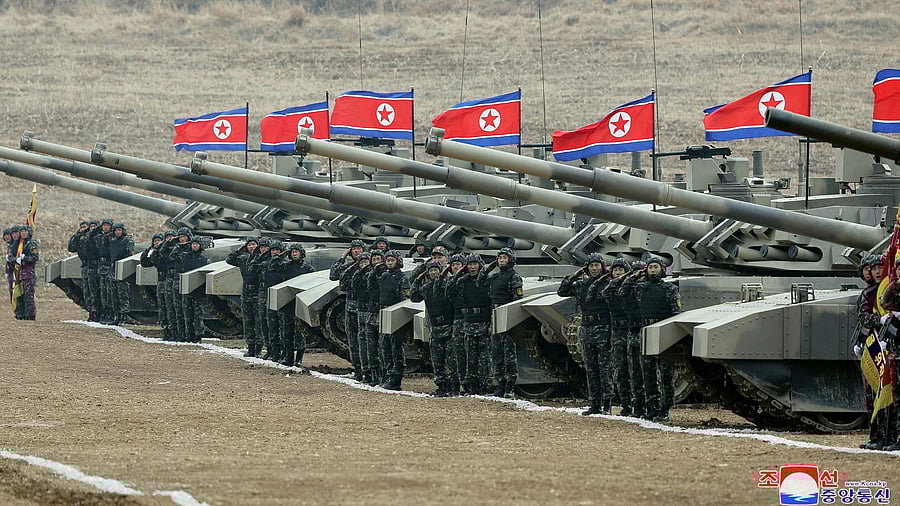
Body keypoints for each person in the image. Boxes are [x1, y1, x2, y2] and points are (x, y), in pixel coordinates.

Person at [627, 256, 682, 422]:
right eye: (650, 268)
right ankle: (652, 407)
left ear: (662, 270)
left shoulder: (670, 289)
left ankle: (665, 408)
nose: (652, 270)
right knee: (648, 373)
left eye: (655, 267)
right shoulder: (641, 288)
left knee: (666, 375)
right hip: (646, 331)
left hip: (663, 332)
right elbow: (623, 289)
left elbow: (676, 313)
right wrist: (636, 275)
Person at [557, 253, 613, 415]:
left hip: (603, 328)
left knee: (605, 369)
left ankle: (607, 404)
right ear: (586, 268)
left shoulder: (607, 285)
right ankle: (595, 403)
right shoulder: (581, 285)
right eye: (591, 266)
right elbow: (563, 291)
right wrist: (575, 275)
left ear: (602, 267)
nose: (594, 269)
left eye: (597, 265)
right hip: (587, 329)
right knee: (591, 369)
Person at [598, 257, 644, 417]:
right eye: (615, 270)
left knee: (636, 371)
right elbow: (606, 292)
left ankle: (639, 405)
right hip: (618, 332)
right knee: (621, 371)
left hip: (632, 330)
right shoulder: (613, 289)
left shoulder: (635, 289)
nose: (618, 273)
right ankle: (626, 405)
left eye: (621, 270)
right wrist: (619, 278)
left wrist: (629, 278)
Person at [477, 247, 523, 398]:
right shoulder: (495, 277)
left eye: (504, 258)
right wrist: (488, 267)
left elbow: (517, 300)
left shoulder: (514, 277)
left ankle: (510, 387)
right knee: (497, 354)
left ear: (510, 260)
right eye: (500, 258)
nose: (502, 261)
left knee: (509, 355)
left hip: (507, 316)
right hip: (495, 315)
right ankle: (500, 385)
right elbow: (480, 283)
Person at [447, 253, 492, 395]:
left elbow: (491, 301)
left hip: (483, 321)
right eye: (470, 264)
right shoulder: (462, 281)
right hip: (469, 322)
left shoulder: (486, 280)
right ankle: (472, 387)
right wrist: (456, 275)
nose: (472, 267)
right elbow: (449, 291)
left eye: (475, 264)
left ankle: (485, 386)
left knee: (484, 358)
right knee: (470, 358)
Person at [411, 259, 454, 396]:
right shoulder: (426, 288)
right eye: (431, 270)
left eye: (436, 270)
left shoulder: (447, 285)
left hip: (448, 325)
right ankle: (441, 386)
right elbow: (414, 297)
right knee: (437, 360)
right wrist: (418, 279)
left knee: (450, 359)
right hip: (435, 327)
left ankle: (452, 386)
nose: (434, 273)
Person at [855, 255, 884, 449]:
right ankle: (877, 436)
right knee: (871, 394)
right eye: (869, 269)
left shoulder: (885, 291)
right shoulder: (868, 293)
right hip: (872, 344)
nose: (873, 272)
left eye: (876, 268)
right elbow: (863, 319)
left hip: (886, 345)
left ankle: (885, 436)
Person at [373, 250, 409, 390]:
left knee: (396, 349)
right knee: (384, 348)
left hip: (395, 314)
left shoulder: (402, 278)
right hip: (384, 312)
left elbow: (405, 299)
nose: (389, 263)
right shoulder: (384, 276)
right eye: (387, 260)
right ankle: (387, 374)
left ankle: (395, 378)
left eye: (392, 260)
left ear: (398, 261)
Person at [330, 239, 366, 380]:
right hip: (350, 306)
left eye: (359, 249)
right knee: (353, 341)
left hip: (365, 308)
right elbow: (333, 275)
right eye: (354, 249)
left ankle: (368, 371)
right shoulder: (349, 266)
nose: (356, 251)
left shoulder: (368, 266)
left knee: (365, 341)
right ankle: (358, 371)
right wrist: (342, 257)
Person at [274, 243, 315, 367]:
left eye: (296, 252)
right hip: (287, 302)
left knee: (299, 332)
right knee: (287, 331)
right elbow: (272, 265)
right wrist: (282, 255)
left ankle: (299, 358)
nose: (294, 254)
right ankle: (288, 357)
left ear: (301, 253)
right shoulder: (285, 266)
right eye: (292, 252)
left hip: (301, 301)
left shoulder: (308, 268)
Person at [226, 237, 261, 356]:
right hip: (246, 293)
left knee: (258, 322)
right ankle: (250, 347)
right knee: (248, 322)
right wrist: (239, 250)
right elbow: (229, 260)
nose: (251, 247)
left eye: (254, 244)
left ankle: (259, 349)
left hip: (258, 293)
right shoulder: (243, 259)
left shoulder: (260, 258)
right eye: (249, 245)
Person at [175, 236, 210, 343]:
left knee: (198, 316)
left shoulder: (204, 260)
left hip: (198, 291)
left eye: (197, 244)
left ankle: (198, 336)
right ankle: (189, 335)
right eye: (193, 244)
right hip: (187, 290)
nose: (195, 246)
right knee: (187, 315)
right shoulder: (185, 258)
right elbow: (173, 257)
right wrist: (180, 246)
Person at [350, 252, 374, 382]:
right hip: (361, 310)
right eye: (362, 263)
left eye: (367, 262)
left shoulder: (376, 274)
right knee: (361, 343)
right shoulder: (358, 275)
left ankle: (374, 374)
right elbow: (348, 284)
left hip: (373, 311)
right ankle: (363, 371)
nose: (365, 265)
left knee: (372, 345)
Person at [444, 253, 466, 396]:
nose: (455, 267)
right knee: (455, 354)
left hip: (472, 319)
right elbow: (448, 293)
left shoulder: (471, 280)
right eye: (453, 265)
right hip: (456, 320)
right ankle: (456, 385)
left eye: (458, 264)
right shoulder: (451, 282)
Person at [363, 249, 386, 385]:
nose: (376, 262)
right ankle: (373, 375)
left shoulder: (388, 275)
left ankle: (384, 375)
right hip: (371, 313)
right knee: (370, 348)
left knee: (383, 348)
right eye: (374, 259)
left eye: (379, 259)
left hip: (383, 313)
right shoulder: (369, 275)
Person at [140, 233, 168, 336]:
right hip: (161, 281)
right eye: (155, 241)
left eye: (159, 240)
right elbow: (145, 263)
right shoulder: (156, 254)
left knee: (171, 307)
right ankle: (166, 330)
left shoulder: (169, 252)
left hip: (170, 280)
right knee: (162, 307)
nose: (157, 242)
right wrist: (149, 250)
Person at [251, 238, 275, 359]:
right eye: (261, 247)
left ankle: (275, 349)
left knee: (273, 324)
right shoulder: (259, 260)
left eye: (265, 247)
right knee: (264, 324)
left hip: (273, 293)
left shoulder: (276, 261)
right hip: (262, 294)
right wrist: (259, 256)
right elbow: (251, 269)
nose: (263, 249)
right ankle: (269, 349)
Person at [107, 223, 135, 325]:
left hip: (123, 269)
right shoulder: (113, 242)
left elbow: (131, 253)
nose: (118, 232)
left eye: (119, 230)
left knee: (123, 294)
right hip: (114, 268)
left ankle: (124, 316)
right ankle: (117, 316)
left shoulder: (127, 241)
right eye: (116, 230)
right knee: (114, 295)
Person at [15, 225, 39, 320]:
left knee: (29, 295)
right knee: (20, 295)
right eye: (22, 231)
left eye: (25, 231)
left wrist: (24, 258)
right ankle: (22, 314)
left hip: (28, 273)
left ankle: (30, 315)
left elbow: (35, 258)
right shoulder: (20, 244)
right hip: (20, 274)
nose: (23, 233)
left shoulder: (31, 244)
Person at [68, 221, 91, 314]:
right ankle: (91, 312)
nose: (83, 229)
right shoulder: (79, 238)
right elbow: (71, 248)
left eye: (85, 227)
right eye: (81, 227)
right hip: (85, 266)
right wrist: (78, 234)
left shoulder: (93, 237)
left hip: (96, 266)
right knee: (87, 291)